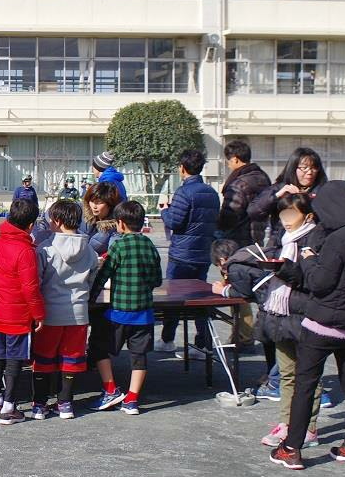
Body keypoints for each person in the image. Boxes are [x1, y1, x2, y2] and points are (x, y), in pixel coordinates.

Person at [270, 181, 345, 470]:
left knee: (305, 385)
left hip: (322, 325)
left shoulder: (338, 239)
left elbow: (320, 283)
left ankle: (291, 449)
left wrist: (310, 259)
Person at [221, 194, 327, 448]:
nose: (286, 219)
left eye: (292, 214)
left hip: (304, 313)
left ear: (308, 216)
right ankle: (287, 423)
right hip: (279, 312)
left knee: (309, 374)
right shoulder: (282, 239)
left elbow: (315, 280)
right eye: (283, 214)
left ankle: (308, 427)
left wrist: (283, 269)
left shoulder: (317, 239)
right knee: (287, 374)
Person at [90, 200, 163, 416]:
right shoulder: (150, 246)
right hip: (144, 314)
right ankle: (132, 399)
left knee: (99, 347)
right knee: (139, 357)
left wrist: (91, 297)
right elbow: (157, 280)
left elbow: (103, 275)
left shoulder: (119, 246)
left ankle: (110, 389)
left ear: (120, 223)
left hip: (118, 313)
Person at [0, 200, 46, 425]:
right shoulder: (26, 250)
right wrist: (38, 314)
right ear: (31, 225)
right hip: (18, 314)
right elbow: (31, 288)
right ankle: (9, 406)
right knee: (15, 358)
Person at [32, 200, 98, 420]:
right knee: (72, 358)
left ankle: (39, 404)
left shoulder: (45, 248)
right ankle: (65, 403)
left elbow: (37, 281)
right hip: (78, 313)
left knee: (43, 358)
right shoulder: (89, 249)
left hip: (50, 313)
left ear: (57, 221)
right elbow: (92, 280)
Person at [156, 148, 221, 356]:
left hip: (182, 254)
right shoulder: (212, 193)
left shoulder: (183, 192)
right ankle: (203, 343)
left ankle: (167, 339)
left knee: (174, 299)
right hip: (203, 253)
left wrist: (164, 211)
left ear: (182, 168)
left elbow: (175, 222)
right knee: (200, 300)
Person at [218, 139, 271, 247]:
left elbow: (229, 217)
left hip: (237, 240)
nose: (228, 165)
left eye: (228, 161)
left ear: (235, 159)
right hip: (259, 237)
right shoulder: (263, 178)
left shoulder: (239, 184)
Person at [79, 182, 122, 258]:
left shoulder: (116, 226)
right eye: (92, 201)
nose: (94, 206)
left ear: (110, 204)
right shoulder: (80, 215)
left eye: (99, 203)